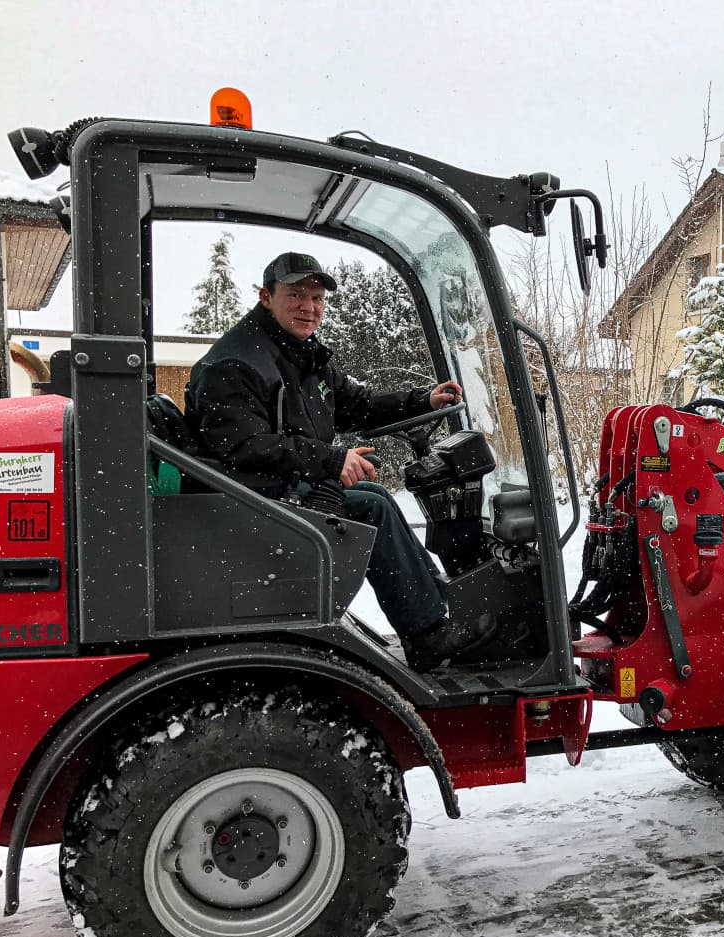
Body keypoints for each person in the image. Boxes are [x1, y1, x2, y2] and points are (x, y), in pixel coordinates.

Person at [186, 251, 494, 670]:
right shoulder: (235, 364)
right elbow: (243, 448)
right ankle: (426, 632)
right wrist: (329, 460)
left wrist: (421, 399)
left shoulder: (299, 354)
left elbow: (357, 405)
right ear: (265, 296)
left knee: (371, 494)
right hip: (249, 508)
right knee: (372, 507)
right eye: (295, 295)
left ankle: (432, 610)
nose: (308, 307)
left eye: (316, 298)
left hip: (276, 493)